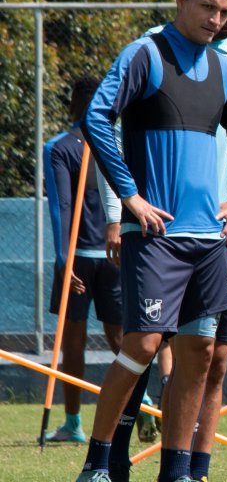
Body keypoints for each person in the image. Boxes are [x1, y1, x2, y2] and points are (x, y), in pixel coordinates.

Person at [76, 0, 227, 482]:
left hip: (210, 240)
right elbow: (96, 116)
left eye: (225, 13)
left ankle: (176, 480)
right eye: (207, 7)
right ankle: (96, 468)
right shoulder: (145, 53)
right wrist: (130, 196)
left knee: (200, 352)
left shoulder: (226, 67)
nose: (216, 19)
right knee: (143, 345)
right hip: (155, 238)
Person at [42, 76, 124, 445]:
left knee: (72, 341)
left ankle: (73, 423)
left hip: (77, 256)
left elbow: (61, 206)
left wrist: (64, 258)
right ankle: (144, 405)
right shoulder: (115, 143)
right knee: (123, 339)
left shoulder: (58, 147)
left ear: (73, 105)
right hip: (115, 255)